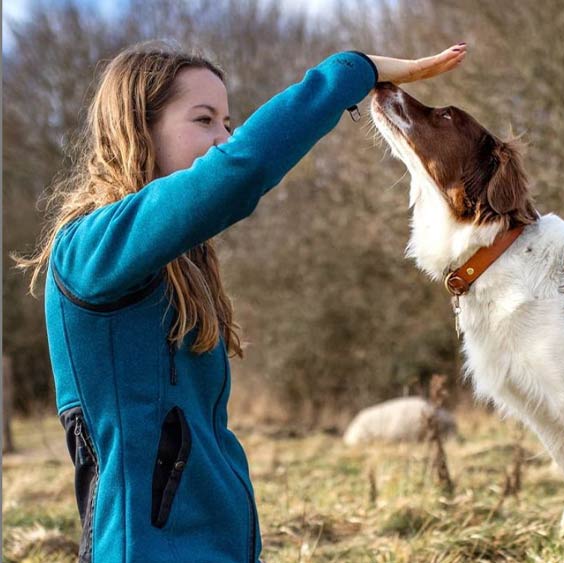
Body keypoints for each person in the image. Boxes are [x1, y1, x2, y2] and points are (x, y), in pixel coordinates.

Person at [13, 40, 466, 562]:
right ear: (138, 127)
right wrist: (350, 73)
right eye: (204, 120)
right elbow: (238, 171)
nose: (223, 138)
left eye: (227, 123)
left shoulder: (176, 267)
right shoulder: (89, 250)